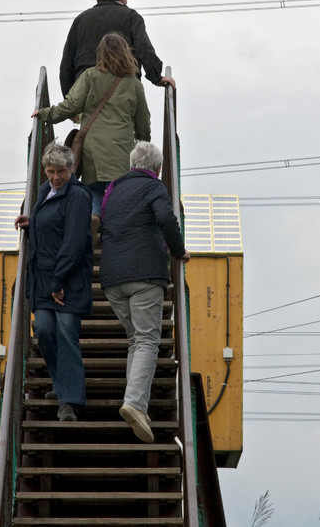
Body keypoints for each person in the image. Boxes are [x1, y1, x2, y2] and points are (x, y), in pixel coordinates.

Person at [99, 141, 189, 442]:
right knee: (148, 340)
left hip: (112, 277)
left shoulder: (113, 189)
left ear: (131, 164)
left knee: (136, 341)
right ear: (158, 168)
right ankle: (135, 403)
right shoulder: (155, 187)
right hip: (145, 273)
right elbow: (166, 219)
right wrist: (178, 250)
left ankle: (136, 402)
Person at [36, 31, 151, 240]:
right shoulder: (134, 83)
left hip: (92, 146)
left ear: (100, 54)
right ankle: (117, 236)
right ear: (126, 53)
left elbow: (71, 105)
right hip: (122, 148)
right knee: (117, 193)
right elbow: (143, 120)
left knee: (95, 189)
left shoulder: (90, 75)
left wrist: (46, 114)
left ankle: (94, 216)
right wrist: (144, 145)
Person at [14, 142, 92, 422]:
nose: (55, 177)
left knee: (67, 332)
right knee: (44, 330)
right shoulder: (45, 191)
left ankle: (68, 403)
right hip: (43, 278)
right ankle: (62, 385)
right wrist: (30, 222)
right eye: (50, 172)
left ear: (71, 169)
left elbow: (73, 241)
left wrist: (59, 281)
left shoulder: (79, 196)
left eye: (60, 171)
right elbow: (47, 223)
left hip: (68, 279)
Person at [59, 0, 176, 98]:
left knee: (89, 117)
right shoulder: (131, 16)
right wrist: (156, 77)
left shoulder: (80, 20)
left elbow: (67, 60)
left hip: (85, 90)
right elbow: (144, 48)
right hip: (122, 89)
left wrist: (69, 97)